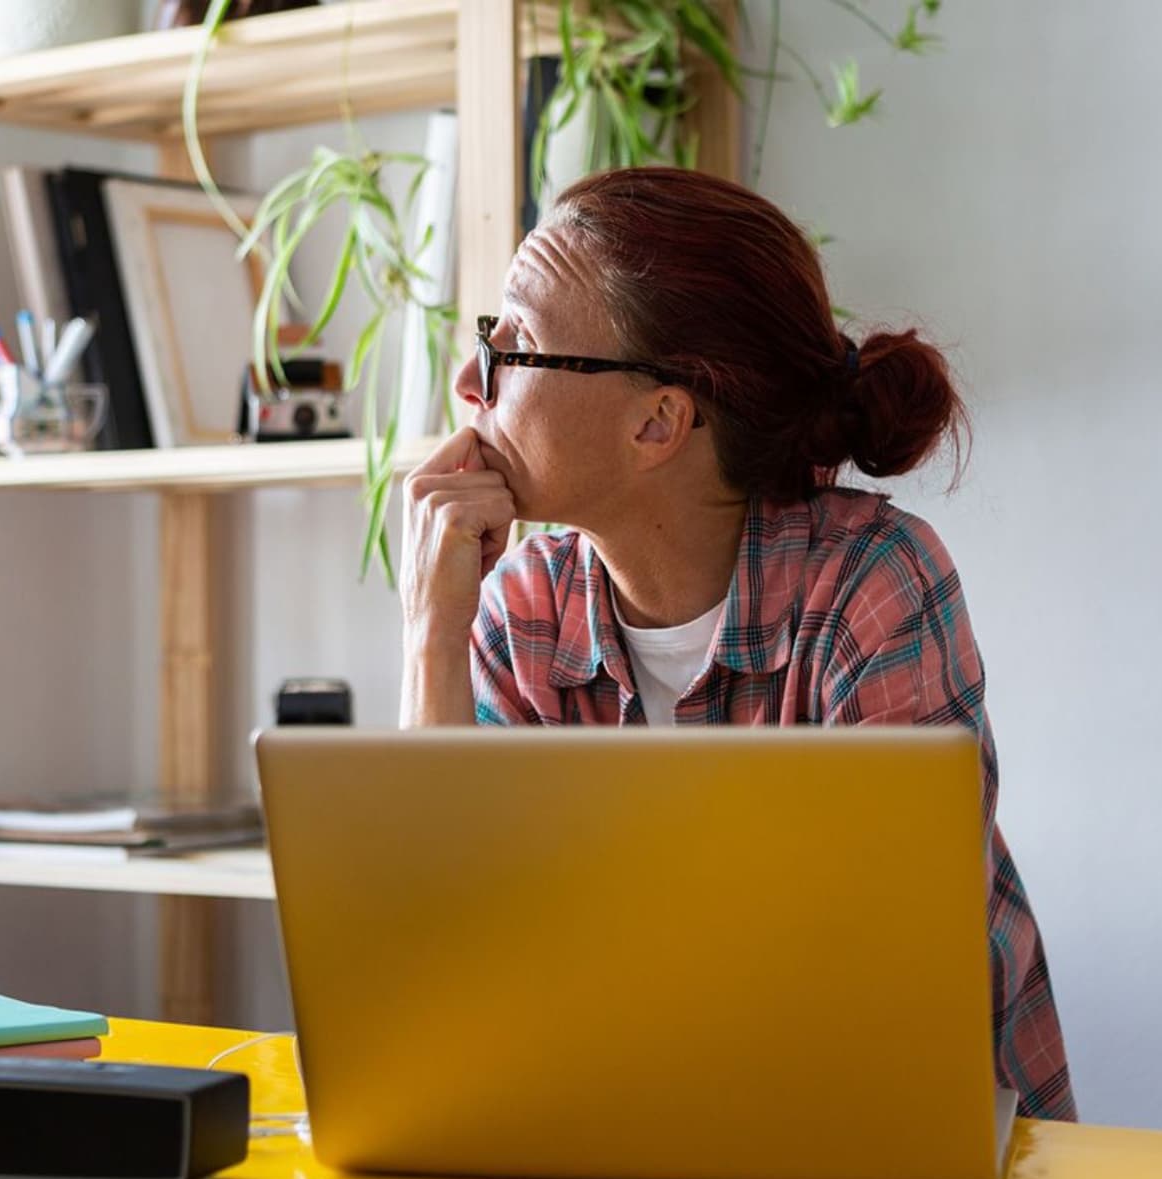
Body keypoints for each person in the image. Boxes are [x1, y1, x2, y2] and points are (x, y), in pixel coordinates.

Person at [398, 166, 1075, 1121]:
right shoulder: (523, 614)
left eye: (518, 346)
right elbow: (440, 971)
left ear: (659, 421)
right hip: (637, 1136)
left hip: (894, 1145)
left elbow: (882, 996)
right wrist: (431, 632)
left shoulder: (869, 587)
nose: (472, 381)